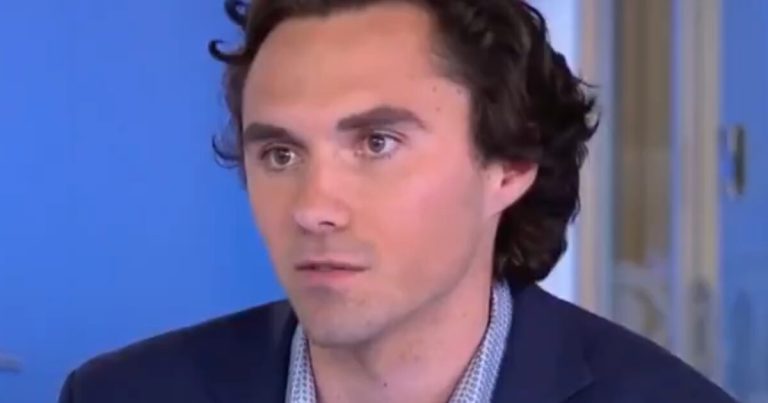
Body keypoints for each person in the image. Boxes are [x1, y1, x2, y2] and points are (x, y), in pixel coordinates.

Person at [58, 0, 736, 402]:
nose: (313, 207)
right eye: (281, 154)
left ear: (509, 166)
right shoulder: (123, 394)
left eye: (377, 143)